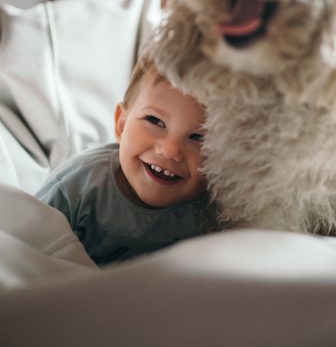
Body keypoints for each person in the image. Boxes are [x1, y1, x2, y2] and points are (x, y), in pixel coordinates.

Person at [36, 53, 214, 266]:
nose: (170, 150)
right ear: (121, 124)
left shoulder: (216, 208)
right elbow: (23, 251)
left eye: (198, 137)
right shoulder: (76, 188)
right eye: (154, 121)